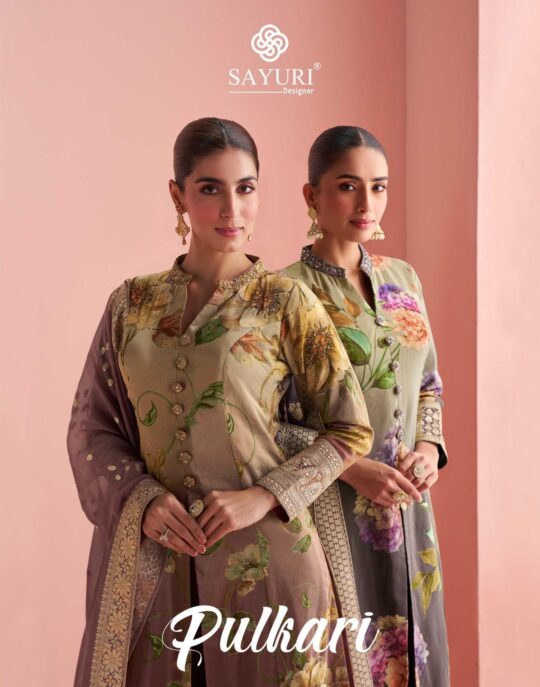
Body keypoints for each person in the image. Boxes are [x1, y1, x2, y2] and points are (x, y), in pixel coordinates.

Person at [67, 117, 376, 687]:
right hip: (154, 562)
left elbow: (350, 430)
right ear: (178, 196)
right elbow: (93, 426)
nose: (232, 209)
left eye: (246, 188)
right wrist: (141, 499)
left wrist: (264, 496)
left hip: (270, 565)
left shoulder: (285, 302)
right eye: (210, 188)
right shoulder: (131, 305)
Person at [277, 126, 450, 686]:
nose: (366, 203)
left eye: (379, 187)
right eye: (348, 186)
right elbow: (267, 422)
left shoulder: (404, 278)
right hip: (331, 506)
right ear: (312, 195)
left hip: (409, 506)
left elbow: (427, 383)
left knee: (416, 657)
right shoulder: (281, 293)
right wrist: (352, 468)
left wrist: (428, 449)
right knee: (345, 659)